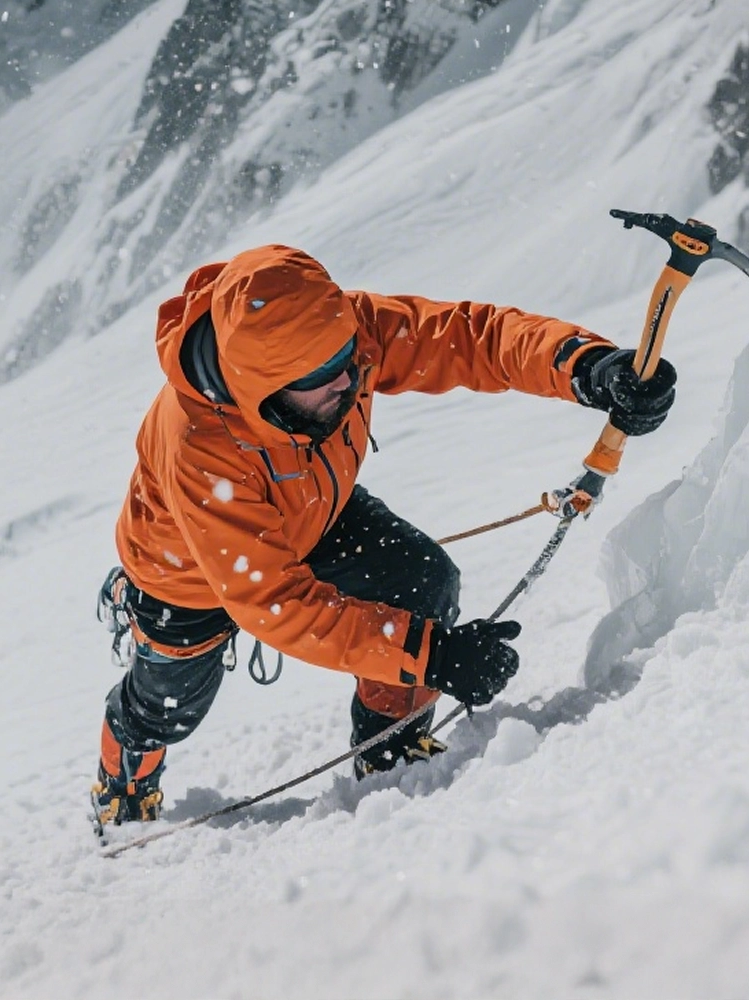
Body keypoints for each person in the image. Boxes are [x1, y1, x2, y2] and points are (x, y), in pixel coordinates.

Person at [91, 244, 676, 824]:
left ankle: (390, 754)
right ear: (260, 390)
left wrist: (585, 367)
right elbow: (275, 603)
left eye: (347, 356)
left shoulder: (338, 339)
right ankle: (123, 786)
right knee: (165, 710)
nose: (349, 379)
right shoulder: (202, 447)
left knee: (420, 580)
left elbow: (468, 339)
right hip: (187, 576)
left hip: (312, 510)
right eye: (323, 377)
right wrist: (435, 655)